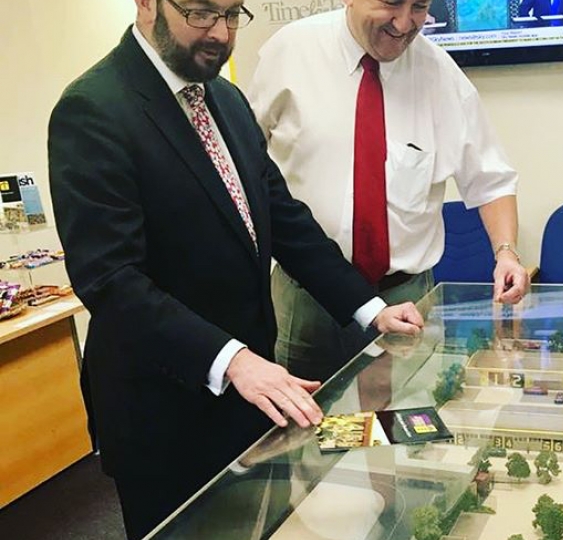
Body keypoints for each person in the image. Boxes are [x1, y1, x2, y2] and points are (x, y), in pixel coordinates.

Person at [47, 0, 423, 537]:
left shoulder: (223, 96)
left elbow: (283, 218)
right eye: (201, 13)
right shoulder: (93, 109)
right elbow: (110, 281)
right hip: (166, 411)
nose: (220, 34)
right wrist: (234, 362)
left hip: (252, 399)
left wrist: (370, 309)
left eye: (231, 14)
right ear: (147, 3)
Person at [248, 0, 530, 384]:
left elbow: (490, 178)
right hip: (308, 297)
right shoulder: (290, 53)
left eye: (419, 6)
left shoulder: (439, 74)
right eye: (391, 3)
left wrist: (506, 253)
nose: (404, 22)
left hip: (407, 298)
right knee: (305, 431)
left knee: (410, 430)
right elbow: (245, 164)